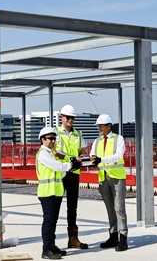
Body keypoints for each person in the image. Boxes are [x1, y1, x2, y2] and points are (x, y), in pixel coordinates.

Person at [37, 126, 82, 260]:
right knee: (49, 221)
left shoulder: (51, 153)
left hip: (55, 192)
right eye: (49, 138)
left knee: (53, 221)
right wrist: (71, 166)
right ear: (42, 140)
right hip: (47, 193)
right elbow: (56, 166)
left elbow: (60, 172)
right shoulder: (43, 153)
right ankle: (46, 249)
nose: (52, 141)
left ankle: (52, 246)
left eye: (54, 138)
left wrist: (68, 168)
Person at [90, 114, 128, 252]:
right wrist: (93, 160)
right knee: (110, 209)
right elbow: (93, 155)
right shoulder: (97, 141)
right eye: (98, 126)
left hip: (117, 178)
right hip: (103, 178)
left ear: (108, 126)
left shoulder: (119, 139)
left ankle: (123, 237)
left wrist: (101, 160)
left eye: (101, 126)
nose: (99, 128)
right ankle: (113, 236)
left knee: (119, 208)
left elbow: (118, 156)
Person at [56, 104, 89, 249]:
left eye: (72, 118)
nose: (70, 120)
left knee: (72, 208)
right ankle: (51, 242)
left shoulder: (78, 134)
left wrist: (81, 158)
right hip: (60, 173)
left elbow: (81, 150)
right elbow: (56, 152)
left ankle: (73, 239)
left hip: (74, 174)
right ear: (61, 117)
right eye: (67, 117)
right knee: (54, 207)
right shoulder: (55, 133)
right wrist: (72, 159)